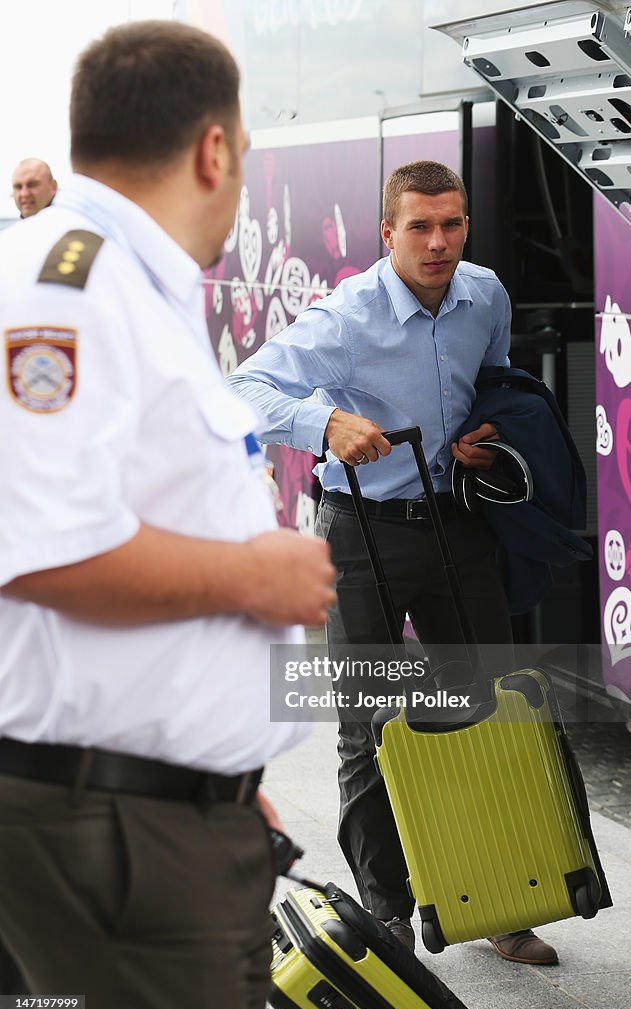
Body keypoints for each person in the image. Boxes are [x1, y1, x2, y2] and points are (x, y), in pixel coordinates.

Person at [0, 20, 336, 1009]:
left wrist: (212, 775)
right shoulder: (71, 286)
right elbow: (36, 547)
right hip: (116, 831)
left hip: (155, 809)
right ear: (213, 148)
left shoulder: (124, 282)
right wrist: (253, 578)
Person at [227, 160, 559, 966]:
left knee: (487, 708)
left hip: (455, 525)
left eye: (452, 224)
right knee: (368, 724)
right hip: (360, 533)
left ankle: (499, 900)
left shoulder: (485, 296)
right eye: (420, 226)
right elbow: (243, 389)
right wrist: (326, 419)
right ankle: (388, 913)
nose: (438, 242)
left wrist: (484, 439)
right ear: (387, 233)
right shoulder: (346, 316)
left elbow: (492, 384)